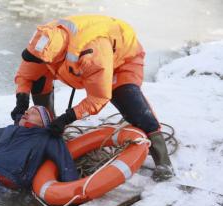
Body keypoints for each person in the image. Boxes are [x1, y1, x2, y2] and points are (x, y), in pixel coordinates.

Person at [10, 14, 174, 182]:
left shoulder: (93, 53)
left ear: (58, 54)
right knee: (38, 79)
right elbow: (27, 73)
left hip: (121, 60)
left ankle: (163, 161)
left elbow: (98, 97)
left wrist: (67, 118)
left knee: (130, 102)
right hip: (75, 58)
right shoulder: (44, 40)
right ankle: (47, 130)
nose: (37, 61)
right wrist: (21, 100)